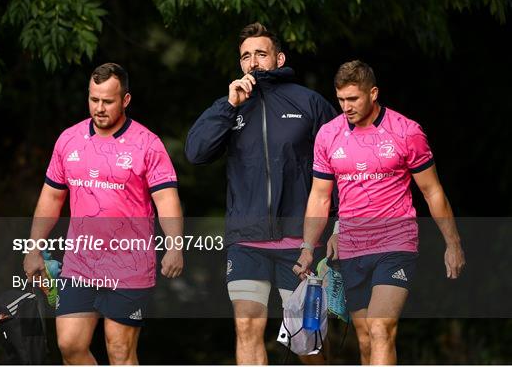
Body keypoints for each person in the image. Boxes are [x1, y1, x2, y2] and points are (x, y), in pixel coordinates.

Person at [295, 60, 466, 364]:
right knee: (364, 338)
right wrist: (308, 247)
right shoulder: (327, 135)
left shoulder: (406, 131)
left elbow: (433, 191)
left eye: (353, 99)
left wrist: (453, 244)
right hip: (351, 247)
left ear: (373, 93)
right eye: (341, 100)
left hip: (395, 242)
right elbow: (320, 197)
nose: (346, 107)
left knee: (380, 328)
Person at [185, 23, 337, 364]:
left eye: (261, 53)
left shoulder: (310, 102)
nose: (253, 62)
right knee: (246, 327)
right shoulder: (230, 105)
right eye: (246, 56)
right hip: (247, 240)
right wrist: (229, 105)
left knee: (307, 341)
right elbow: (195, 153)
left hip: (300, 243)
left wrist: (338, 226)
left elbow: (339, 167)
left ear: (279, 58)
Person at [23, 63, 183, 364]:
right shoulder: (68, 140)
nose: (99, 108)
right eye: (93, 99)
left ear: (125, 100)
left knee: (120, 351)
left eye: (108, 101)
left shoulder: (147, 144)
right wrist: (34, 247)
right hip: (80, 264)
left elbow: (167, 199)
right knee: (70, 344)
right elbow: (52, 196)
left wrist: (174, 246)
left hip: (129, 265)